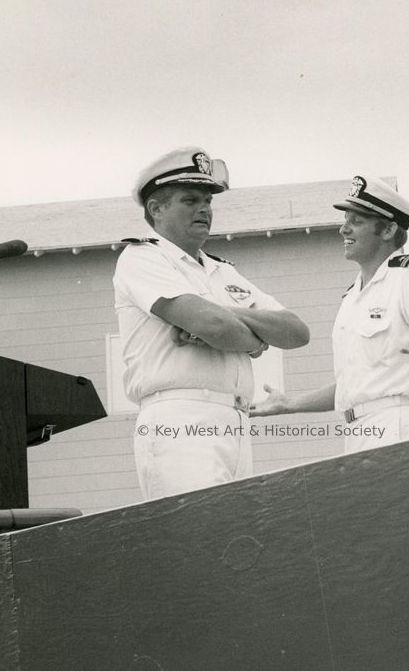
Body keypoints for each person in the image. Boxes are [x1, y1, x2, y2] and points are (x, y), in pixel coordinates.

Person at [113, 146, 310, 500]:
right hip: (179, 417)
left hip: (234, 418)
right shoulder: (143, 257)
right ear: (156, 209)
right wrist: (255, 341)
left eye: (208, 201)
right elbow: (214, 325)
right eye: (190, 200)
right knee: (196, 539)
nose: (204, 209)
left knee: (234, 539)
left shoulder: (222, 271)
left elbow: (296, 331)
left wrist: (223, 314)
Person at [251, 174, 409, 453]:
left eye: (356, 222)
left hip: (396, 427)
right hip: (358, 431)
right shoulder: (353, 297)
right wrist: (289, 404)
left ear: (388, 231)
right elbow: (353, 388)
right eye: (345, 221)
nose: (343, 230)